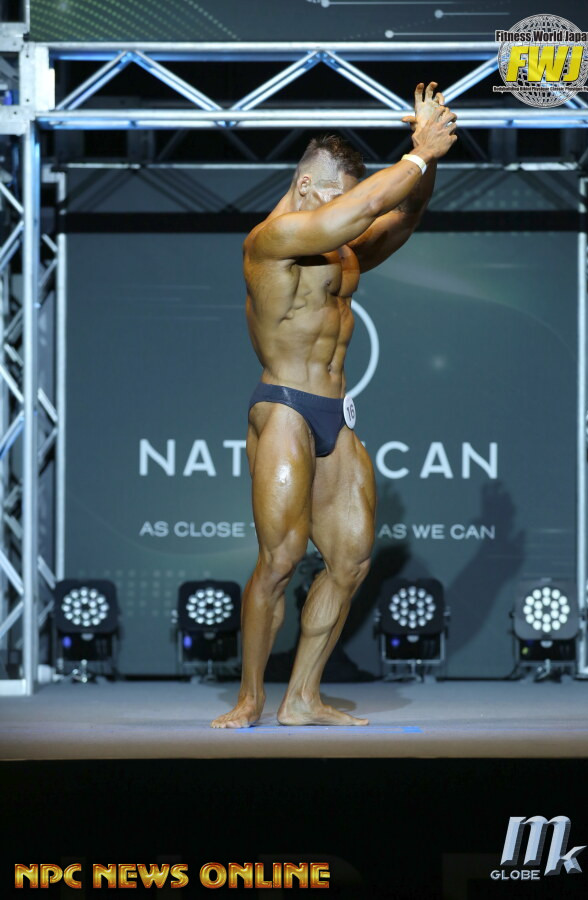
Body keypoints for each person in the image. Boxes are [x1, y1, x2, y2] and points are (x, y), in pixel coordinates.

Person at [211, 83, 457, 728]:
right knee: (280, 561)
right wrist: (418, 152)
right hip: (285, 407)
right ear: (307, 186)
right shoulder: (273, 239)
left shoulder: (341, 253)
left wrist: (428, 162)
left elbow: (402, 215)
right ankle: (250, 698)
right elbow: (369, 203)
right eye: (336, 196)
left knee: (350, 560)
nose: (347, 209)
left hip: (335, 414)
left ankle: (301, 698)